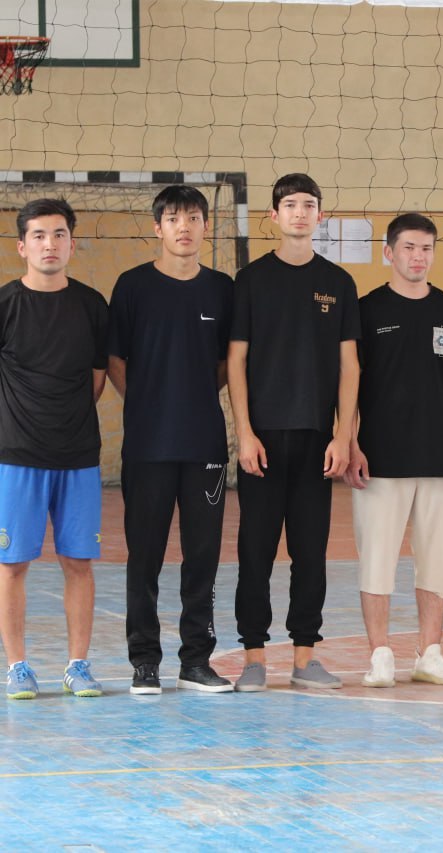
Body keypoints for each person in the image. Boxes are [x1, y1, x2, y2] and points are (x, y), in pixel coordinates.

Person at [228, 173, 360, 691]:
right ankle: (253, 660)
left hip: (316, 441)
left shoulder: (339, 283)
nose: (300, 213)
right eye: (290, 205)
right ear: (274, 215)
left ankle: (305, 658)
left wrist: (343, 436)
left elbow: (350, 366)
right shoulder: (251, 280)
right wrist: (244, 432)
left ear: (320, 215)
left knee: (310, 554)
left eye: (309, 204)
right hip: (263, 440)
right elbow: (236, 361)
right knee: (255, 553)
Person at [107, 185, 236, 694]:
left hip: (204, 442)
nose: (184, 226)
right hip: (147, 445)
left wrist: (195, 393)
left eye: (194, 218)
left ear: (205, 226)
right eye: (175, 218)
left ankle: (195, 661)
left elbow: (229, 361)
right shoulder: (132, 286)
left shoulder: (222, 288)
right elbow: (115, 358)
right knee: (145, 557)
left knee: (202, 557)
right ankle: (144, 662)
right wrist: (145, 402)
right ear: (157, 227)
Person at [346, 213, 443, 687]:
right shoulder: (366, 310)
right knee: (377, 558)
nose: (418, 257)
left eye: (426, 248)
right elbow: (347, 383)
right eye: (408, 247)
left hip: (440, 458)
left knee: (438, 559)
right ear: (389, 253)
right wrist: (350, 441)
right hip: (379, 460)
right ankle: (380, 655)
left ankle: (430, 653)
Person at [0, 198, 108, 699]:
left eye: (59, 234)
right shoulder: (5, 304)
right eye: (39, 235)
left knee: (78, 563)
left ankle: (77, 666)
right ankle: (17, 666)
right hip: (16, 457)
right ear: (22, 246)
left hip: (78, 456)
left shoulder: (91, 305)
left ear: (71, 243)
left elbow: (97, 378)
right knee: (11, 565)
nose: (50, 244)